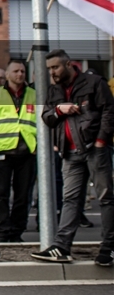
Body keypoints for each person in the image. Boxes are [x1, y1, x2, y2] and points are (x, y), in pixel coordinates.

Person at [33, 50, 114, 266]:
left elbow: (109, 110)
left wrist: (100, 141)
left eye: (56, 67)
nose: (53, 72)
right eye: (49, 69)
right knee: (70, 200)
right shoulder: (54, 90)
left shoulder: (94, 83)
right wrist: (59, 110)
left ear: (69, 64)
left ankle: (109, 248)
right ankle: (61, 247)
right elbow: (47, 117)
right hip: (70, 153)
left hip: (95, 149)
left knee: (105, 197)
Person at [0, 60, 35, 243]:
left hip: (27, 151)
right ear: (7, 74)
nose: (20, 74)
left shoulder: (33, 94)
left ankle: (16, 231)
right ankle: (3, 231)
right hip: (3, 151)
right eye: (16, 71)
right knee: (1, 194)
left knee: (23, 195)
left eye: (22, 71)